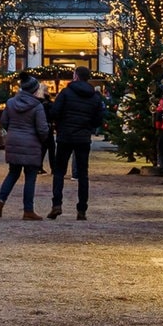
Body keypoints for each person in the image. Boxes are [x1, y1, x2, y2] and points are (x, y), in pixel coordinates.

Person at [47, 66, 106, 220]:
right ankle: (81, 210)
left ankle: (57, 204)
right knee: (82, 174)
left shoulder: (66, 93)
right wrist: (87, 126)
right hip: (83, 137)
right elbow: (99, 119)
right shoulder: (94, 97)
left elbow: (54, 112)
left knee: (59, 171)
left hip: (65, 136)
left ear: (76, 76)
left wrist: (60, 124)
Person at [0, 74, 51, 220]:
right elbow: (42, 128)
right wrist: (42, 139)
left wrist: (12, 130)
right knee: (30, 177)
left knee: (12, 174)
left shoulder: (11, 102)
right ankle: (28, 210)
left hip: (14, 141)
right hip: (31, 143)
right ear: (34, 90)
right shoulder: (37, 106)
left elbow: (4, 120)